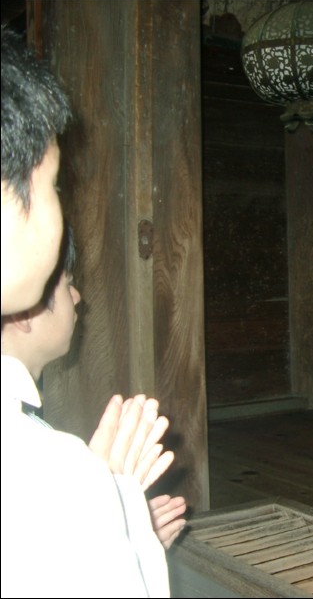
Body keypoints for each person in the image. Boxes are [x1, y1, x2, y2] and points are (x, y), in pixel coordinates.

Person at [1, 26, 177, 597]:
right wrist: (110, 503)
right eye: (53, 183)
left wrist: (108, 506)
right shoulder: (51, 476)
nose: (78, 296)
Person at [1, 224, 188, 550]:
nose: (77, 297)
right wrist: (100, 499)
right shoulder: (28, 449)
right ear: (24, 309)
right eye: (68, 285)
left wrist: (131, 529)